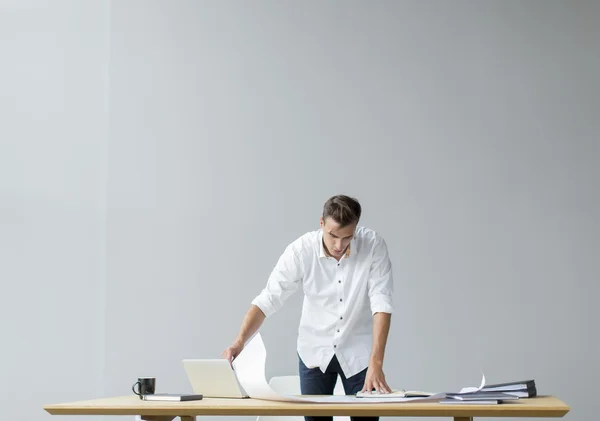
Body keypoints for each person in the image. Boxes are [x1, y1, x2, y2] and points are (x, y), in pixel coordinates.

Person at [222, 195, 394, 421]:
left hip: (360, 354)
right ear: (321, 223)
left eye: (347, 237)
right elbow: (269, 298)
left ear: (356, 229)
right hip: (314, 350)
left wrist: (376, 362)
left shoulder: (373, 245)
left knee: (367, 419)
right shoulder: (301, 251)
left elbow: (381, 302)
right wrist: (239, 341)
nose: (339, 245)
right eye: (333, 235)